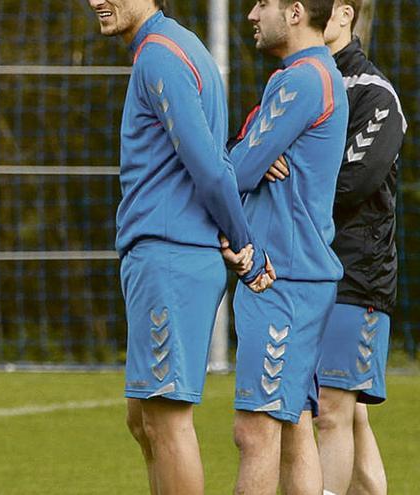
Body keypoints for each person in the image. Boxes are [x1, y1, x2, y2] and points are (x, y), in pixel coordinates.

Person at [86, 0, 274, 493]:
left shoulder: (161, 56)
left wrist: (244, 242)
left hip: (170, 256)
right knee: (142, 420)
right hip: (161, 255)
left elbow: (210, 166)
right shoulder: (169, 47)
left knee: (167, 423)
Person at [265, 2, 406, 493]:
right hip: (302, 272)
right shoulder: (295, 80)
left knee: (330, 413)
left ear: (343, 13)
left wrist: (281, 176)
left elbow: (351, 182)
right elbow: (255, 150)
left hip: (355, 276)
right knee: (340, 416)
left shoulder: (374, 94)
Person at [223, 1, 348, 493]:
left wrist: (245, 152)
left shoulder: (299, 79)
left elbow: (236, 173)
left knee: (254, 432)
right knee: (294, 430)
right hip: (298, 279)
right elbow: (248, 163)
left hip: (283, 281)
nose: (253, 14)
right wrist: (249, 150)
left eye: (264, 3)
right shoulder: (316, 76)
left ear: (295, 12)